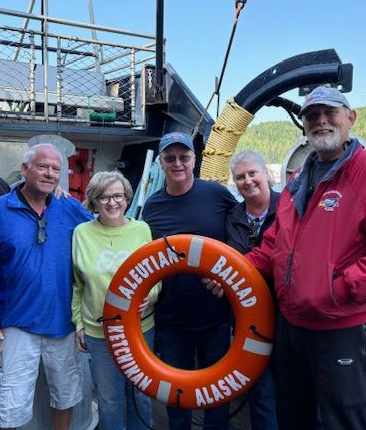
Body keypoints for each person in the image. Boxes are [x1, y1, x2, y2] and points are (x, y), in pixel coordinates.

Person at [212, 86, 366, 429]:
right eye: (312, 115)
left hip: (341, 330)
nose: (321, 121)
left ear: (350, 118)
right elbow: (273, 246)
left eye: (331, 113)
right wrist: (231, 272)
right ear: (304, 126)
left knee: (345, 422)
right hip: (292, 329)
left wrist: (339, 289)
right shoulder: (297, 181)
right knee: (294, 418)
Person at [0, 143, 92, 430]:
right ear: (25, 169)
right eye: (42, 166)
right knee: (7, 404)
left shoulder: (69, 208)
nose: (49, 173)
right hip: (14, 324)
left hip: (63, 324)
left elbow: (104, 232)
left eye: (55, 169)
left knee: (65, 396)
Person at [141, 131, 238, 430]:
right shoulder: (152, 206)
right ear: (161, 163)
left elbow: (241, 234)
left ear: (194, 160)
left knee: (218, 392)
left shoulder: (217, 194)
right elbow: (145, 261)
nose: (178, 163)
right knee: (176, 394)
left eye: (184, 157)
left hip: (215, 315)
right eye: (170, 158)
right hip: (172, 318)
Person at [72, 171, 160, 430]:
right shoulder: (81, 233)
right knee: (109, 400)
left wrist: (151, 297)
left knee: (141, 395)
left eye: (118, 196)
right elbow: (77, 284)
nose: (112, 203)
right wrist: (78, 324)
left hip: (139, 329)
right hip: (99, 332)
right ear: (94, 201)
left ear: (127, 198)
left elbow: (155, 274)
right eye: (104, 197)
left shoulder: (141, 229)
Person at [225, 150, 279, 429]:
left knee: (296, 391)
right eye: (240, 177)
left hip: (288, 319)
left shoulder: (291, 209)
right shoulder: (231, 216)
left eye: (252, 173)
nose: (247, 181)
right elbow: (222, 263)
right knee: (261, 393)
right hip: (248, 322)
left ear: (265, 173)